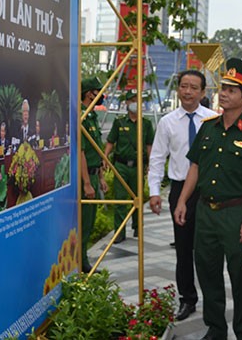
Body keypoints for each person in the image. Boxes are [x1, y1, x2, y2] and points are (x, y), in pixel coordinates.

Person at [174, 59, 242, 340]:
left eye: (232, 89)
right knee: (207, 272)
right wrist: (182, 201)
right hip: (205, 212)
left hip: (235, 213)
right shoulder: (208, 126)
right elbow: (195, 167)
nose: (224, 93)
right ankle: (216, 329)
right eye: (223, 88)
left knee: (239, 276)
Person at [149, 70, 218, 322]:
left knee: (209, 249)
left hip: (209, 190)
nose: (187, 92)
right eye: (183, 86)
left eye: (193, 88)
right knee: (184, 249)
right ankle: (187, 299)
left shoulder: (213, 120)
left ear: (202, 92)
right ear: (178, 89)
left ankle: (213, 299)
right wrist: (154, 192)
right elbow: (157, 159)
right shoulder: (167, 122)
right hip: (180, 192)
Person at [105, 89, 154, 243]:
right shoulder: (119, 122)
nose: (135, 103)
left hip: (138, 167)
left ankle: (137, 227)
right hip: (121, 166)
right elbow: (111, 142)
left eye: (137, 100)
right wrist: (105, 157)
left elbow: (149, 146)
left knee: (137, 197)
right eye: (132, 100)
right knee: (120, 199)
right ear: (126, 103)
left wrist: (150, 164)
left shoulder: (146, 124)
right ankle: (120, 232)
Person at [79, 77, 109, 272]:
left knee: (89, 223)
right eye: (97, 92)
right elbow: (81, 152)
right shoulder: (81, 116)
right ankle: (81, 263)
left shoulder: (91, 117)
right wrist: (87, 183)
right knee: (83, 224)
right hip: (85, 179)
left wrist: (101, 178)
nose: (100, 96)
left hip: (93, 175)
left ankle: (83, 259)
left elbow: (94, 150)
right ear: (90, 93)